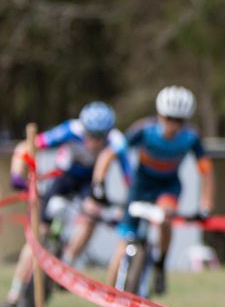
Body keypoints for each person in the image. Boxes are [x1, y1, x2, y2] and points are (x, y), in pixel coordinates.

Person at [0, 100, 123, 307]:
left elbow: (129, 174)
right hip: (63, 179)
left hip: (90, 184)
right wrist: (17, 175)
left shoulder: (117, 141)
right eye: (90, 135)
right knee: (38, 236)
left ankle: (68, 264)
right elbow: (26, 147)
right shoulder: (70, 130)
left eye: (99, 137)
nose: (94, 142)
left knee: (92, 216)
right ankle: (14, 294)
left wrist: (126, 204)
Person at [91, 86, 214, 296]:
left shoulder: (191, 137)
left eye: (179, 121)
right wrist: (98, 184)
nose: (173, 125)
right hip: (141, 185)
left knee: (166, 217)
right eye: (168, 119)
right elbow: (108, 155)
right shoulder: (144, 130)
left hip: (168, 185)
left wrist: (206, 204)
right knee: (123, 244)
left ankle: (160, 264)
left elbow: (206, 170)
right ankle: (109, 298)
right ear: (159, 115)